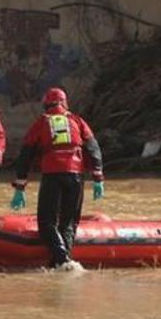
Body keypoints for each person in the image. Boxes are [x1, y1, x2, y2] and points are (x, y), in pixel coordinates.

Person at [10, 87, 105, 270]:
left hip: (53, 175)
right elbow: (93, 149)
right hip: (76, 175)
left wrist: (20, 185)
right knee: (69, 223)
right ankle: (63, 263)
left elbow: (26, 154)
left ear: (46, 104)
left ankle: (62, 259)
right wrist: (98, 177)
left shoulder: (42, 123)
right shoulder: (77, 120)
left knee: (46, 223)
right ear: (64, 103)